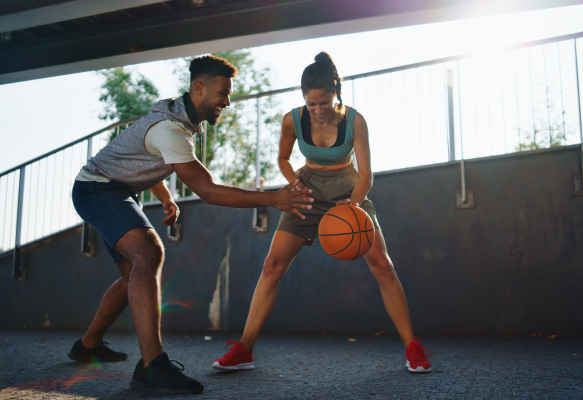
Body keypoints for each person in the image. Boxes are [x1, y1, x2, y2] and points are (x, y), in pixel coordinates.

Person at [68, 55, 314, 394]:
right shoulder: (171, 128)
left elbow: (143, 158)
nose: (227, 102)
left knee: (132, 275)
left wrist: (166, 197)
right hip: (97, 189)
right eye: (223, 93)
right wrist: (272, 198)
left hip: (114, 188)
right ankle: (152, 366)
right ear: (199, 87)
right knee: (149, 253)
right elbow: (208, 191)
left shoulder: (177, 121)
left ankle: (88, 344)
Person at [212, 52, 432, 374]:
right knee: (272, 265)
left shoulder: (356, 120)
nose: (316, 111)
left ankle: (413, 348)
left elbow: (367, 174)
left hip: (349, 189)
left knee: (383, 265)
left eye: (323, 103)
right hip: (308, 189)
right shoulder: (293, 119)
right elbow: (284, 159)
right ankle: (244, 350)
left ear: (335, 94)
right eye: (311, 104)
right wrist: (294, 185)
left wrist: (354, 204)